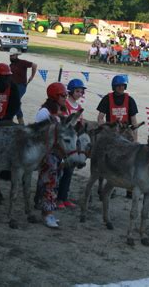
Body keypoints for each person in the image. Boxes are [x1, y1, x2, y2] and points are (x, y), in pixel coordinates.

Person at [97, 74, 139, 198]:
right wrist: (105, 130)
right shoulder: (107, 98)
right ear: (114, 86)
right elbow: (100, 117)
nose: (121, 87)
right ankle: (109, 187)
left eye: (123, 85)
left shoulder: (130, 100)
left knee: (130, 162)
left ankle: (130, 188)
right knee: (110, 162)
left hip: (126, 134)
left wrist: (135, 140)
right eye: (118, 86)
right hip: (112, 134)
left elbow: (134, 121)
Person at [35, 82, 68, 228]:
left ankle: (48, 211)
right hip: (47, 153)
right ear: (55, 96)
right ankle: (47, 215)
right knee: (49, 183)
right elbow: (41, 134)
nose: (65, 98)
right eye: (63, 95)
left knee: (54, 183)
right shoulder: (44, 112)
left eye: (66, 95)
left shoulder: (59, 111)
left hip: (57, 154)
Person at [56, 78, 87, 209]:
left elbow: (81, 123)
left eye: (81, 92)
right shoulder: (65, 105)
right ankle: (57, 198)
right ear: (71, 91)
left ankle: (64, 197)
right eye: (78, 91)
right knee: (59, 170)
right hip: (65, 142)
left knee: (69, 171)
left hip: (74, 143)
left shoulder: (79, 107)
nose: (80, 94)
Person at [9, 47, 37, 125]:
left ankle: (12, 119)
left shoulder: (22, 62)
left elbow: (34, 65)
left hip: (21, 86)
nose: (11, 57)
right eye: (10, 56)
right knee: (15, 102)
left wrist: (32, 76)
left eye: (12, 56)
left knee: (15, 101)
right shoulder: (10, 65)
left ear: (16, 55)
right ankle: (20, 121)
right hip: (13, 87)